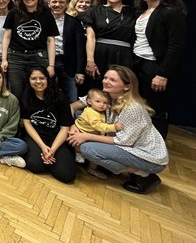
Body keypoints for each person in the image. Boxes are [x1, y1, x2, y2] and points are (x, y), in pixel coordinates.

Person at [68, 66, 168, 194]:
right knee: (83, 114)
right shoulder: (105, 96)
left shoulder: (132, 107)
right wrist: (73, 127)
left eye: (112, 80)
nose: (106, 81)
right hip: (123, 143)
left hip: (148, 157)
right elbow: (73, 107)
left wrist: (86, 136)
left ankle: (144, 174)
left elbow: (122, 141)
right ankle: (110, 164)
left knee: (87, 149)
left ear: (126, 86)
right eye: (105, 77)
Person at [132, 0, 187, 138]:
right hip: (138, 63)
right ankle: (141, 141)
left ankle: (157, 149)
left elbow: (176, 46)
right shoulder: (141, 12)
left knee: (156, 109)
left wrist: (163, 74)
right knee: (139, 106)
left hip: (156, 66)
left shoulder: (170, 12)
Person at [1, 0, 59, 98]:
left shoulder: (47, 14)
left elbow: (50, 40)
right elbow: (7, 36)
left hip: (38, 57)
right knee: (17, 91)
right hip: (16, 57)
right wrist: (4, 59)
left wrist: (51, 65)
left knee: (39, 91)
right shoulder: (13, 13)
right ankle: (20, 116)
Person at [20, 67, 76, 183]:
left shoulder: (59, 96)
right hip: (36, 136)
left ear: (47, 79)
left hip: (57, 137)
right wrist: (42, 146)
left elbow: (65, 128)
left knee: (67, 176)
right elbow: (27, 123)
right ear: (28, 80)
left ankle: (50, 160)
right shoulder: (25, 96)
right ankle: (47, 161)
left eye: (41, 78)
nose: (38, 82)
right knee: (35, 166)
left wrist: (52, 150)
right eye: (34, 78)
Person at [80, 0, 135, 87]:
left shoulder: (134, 12)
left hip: (124, 55)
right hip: (99, 53)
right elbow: (90, 37)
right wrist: (90, 61)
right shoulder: (94, 11)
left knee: (122, 86)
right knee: (98, 87)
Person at [73, 88, 123, 179]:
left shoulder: (100, 111)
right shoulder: (90, 112)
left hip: (93, 134)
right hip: (82, 132)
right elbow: (98, 126)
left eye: (105, 103)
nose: (101, 105)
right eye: (98, 101)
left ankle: (92, 168)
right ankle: (78, 153)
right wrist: (114, 127)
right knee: (78, 143)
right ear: (89, 101)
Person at [49, 0, 86, 102]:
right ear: (49, 3)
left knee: (71, 96)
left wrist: (80, 71)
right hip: (47, 63)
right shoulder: (42, 20)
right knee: (48, 94)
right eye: (54, 2)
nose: (57, 4)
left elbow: (80, 48)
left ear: (67, 4)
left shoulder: (74, 22)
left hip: (68, 64)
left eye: (61, 2)